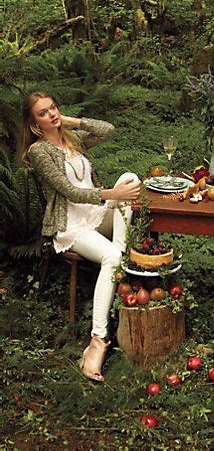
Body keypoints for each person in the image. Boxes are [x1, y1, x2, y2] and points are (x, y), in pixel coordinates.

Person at [21, 92, 141, 382]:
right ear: (34, 123)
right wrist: (112, 195)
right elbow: (71, 192)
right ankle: (98, 340)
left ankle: (118, 267)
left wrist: (69, 121)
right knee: (111, 254)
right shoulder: (39, 152)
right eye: (43, 113)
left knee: (130, 177)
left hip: (96, 215)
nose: (51, 114)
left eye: (53, 108)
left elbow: (108, 130)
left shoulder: (73, 140)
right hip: (72, 226)